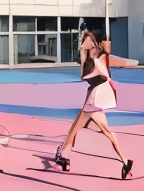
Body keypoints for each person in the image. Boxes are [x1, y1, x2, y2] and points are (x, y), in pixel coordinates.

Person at [54, 30, 137, 179]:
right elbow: (85, 75)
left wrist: (130, 62)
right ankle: (125, 163)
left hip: (93, 101)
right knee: (106, 132)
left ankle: (64, 158)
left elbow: (101, 66)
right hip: (93, 100)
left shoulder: (100, 59)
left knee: (74, 130)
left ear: (94, 43)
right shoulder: (90, 60)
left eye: (86, 40)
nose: (83, 43)